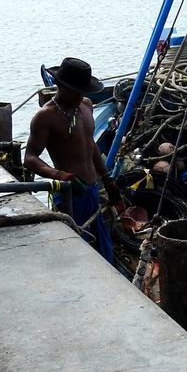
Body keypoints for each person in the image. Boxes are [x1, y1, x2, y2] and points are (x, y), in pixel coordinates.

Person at [24, 57, 120, 262]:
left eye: (82, 91)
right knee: (79, 251)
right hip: (70, 193)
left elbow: (91, 144)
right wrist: (60, 175)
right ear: (59, 86)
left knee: (104, 250)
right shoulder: (46, 116)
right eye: (74, 91)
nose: (79, 96)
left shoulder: (86, 105)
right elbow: (30, 157)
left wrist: (108, 178)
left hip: (93, 188)